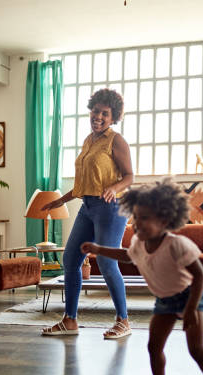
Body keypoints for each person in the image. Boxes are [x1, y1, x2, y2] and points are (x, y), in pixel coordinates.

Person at [81, 179, 203, 375]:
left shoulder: (176, 244)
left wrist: (190, 310)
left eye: (145, 218)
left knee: (196, 349)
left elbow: (199, 276)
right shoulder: (139, 242)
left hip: (190, 296)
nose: (137, 224)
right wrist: (99, 249)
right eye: (136, 217)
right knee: (153, 347)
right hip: (165, 301)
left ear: (165, 220)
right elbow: (128, 256)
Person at [40, 88, 134, 339]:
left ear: (113, 117)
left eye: (105, 113)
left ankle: (123, 321)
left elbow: (129, 176)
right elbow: (85, 183)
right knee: (70, 259)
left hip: (112, 208)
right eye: (96, 111)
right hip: (88, 207)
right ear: (90, 111)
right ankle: (70, 320)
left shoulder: (117, 141)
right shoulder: (88, 141)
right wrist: (60, 199)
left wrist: (114, 188)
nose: (99, 117)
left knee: (105, 261)